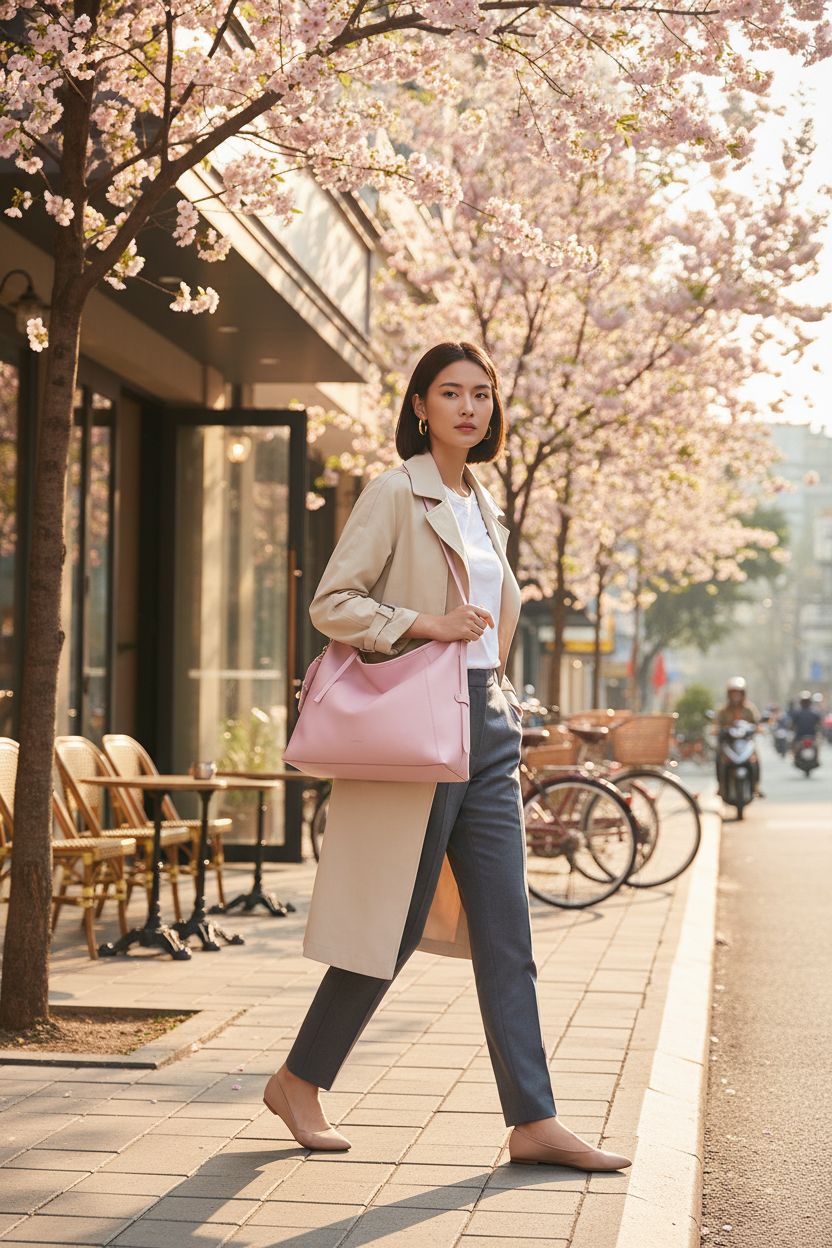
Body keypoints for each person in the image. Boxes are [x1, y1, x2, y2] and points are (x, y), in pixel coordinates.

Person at [262, 342, 631, 1173]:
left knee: (509, 933)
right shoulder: (398, 492)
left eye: (482, 395)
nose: (469, 408)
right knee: (389, 925)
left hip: (486, 729)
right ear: (420, 406)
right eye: (451, 393)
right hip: (422, 733)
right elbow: (334, 602)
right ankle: (299, 1078)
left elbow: (491, 625)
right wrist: (426, 624)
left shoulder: (483, 501)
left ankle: (533, 1120)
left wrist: (501, 693)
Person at [715, 676, 762, 798]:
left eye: (738, 693)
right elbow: (716, 725)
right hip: (729, 743)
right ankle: (720, 786)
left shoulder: (749, 708)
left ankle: (756, 786)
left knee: (755, 759)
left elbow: (757, 724)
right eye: (733, 693)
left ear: (742, 694)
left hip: (744, 742)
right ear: (729, 694)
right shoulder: (723, 710)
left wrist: (758, 729)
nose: (736, 696)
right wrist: (716, 730)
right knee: (718, 757)